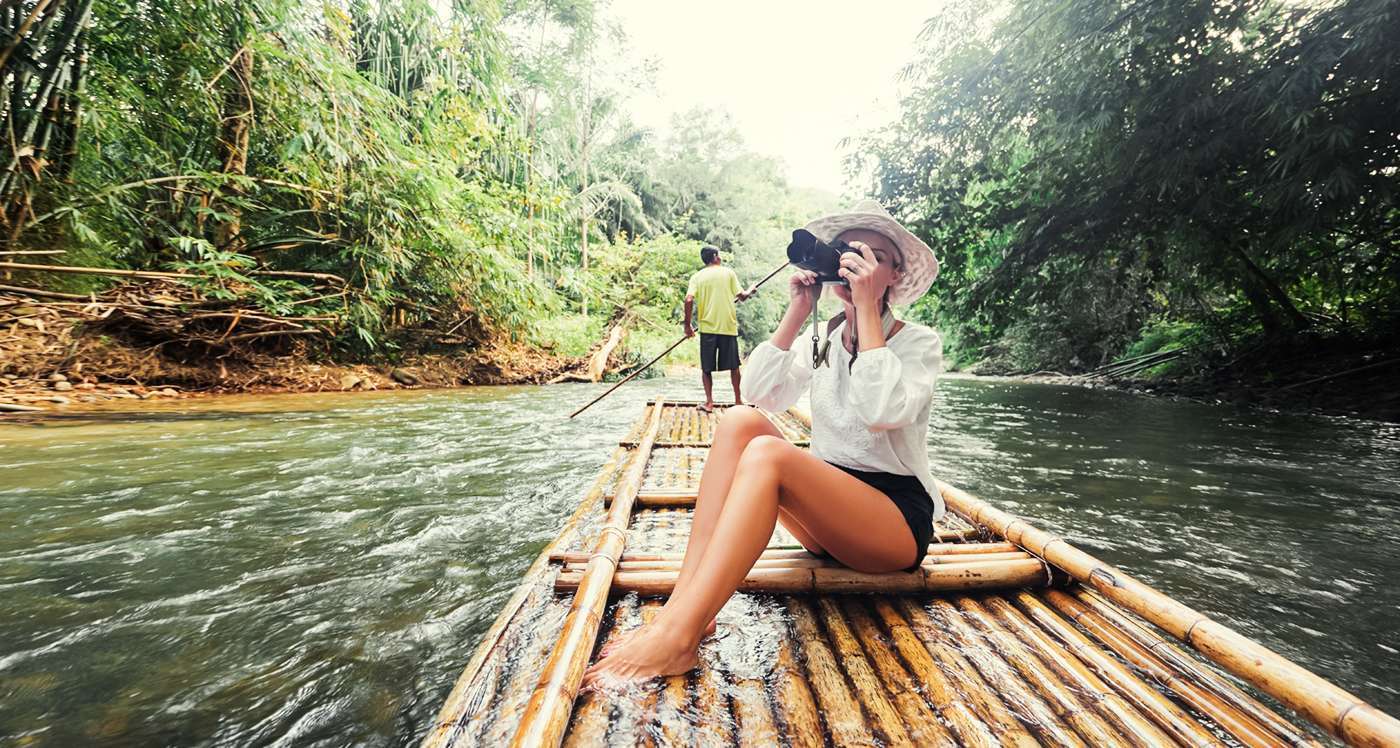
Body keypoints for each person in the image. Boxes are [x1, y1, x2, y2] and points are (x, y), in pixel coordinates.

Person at [584, 200, 943, 685]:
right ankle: (689, 609)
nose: (857, 263)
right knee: (739, 422)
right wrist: (797, 312)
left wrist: (867, 310)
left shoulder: (918, 342)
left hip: (892, 526)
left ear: (894, 274)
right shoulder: (824, 335)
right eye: (849, 253)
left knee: (770, 455)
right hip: (829, 517)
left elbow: (881, 412)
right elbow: (758, 394)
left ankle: (677, 641)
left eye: (873, 255)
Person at [684, 246, 752, 412]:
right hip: (727, 326)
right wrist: (750, 290)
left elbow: (688, 299)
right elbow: (741, 296)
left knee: (706, 368)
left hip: (707, 328)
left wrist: (687, 325)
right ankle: (738, 401)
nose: (720, 257)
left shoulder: (697, 277)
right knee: (734, 366)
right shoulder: (728, 273)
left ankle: (709, 403)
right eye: (719, 255)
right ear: (714, 257)